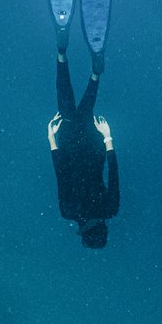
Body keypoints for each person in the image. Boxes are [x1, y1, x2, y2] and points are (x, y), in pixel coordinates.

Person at [48, 35, 119, 249]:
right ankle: (61, 52)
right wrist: (52, 140)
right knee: (65, 101)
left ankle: (95, 74)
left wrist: (107, 138)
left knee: (87, 109)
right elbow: (61, 174)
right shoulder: (68, 212)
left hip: (93, 151)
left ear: (103, 229)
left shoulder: (110, 210)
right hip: (69, 149)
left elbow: (114, 174)